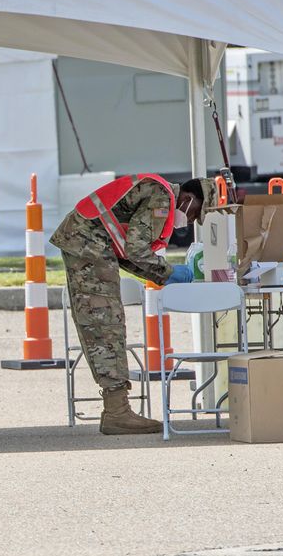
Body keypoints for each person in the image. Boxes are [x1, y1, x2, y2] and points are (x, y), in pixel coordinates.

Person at [50, 174, 217, 435]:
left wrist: (162, 275)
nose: (193, 220)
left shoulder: (160, 193)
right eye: (196, 213)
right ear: (187, 199)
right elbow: (136, 251)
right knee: (105, 322)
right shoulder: (162, 198)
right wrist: (169, 271)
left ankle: (117, 409)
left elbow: (127, 252)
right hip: (88, 243)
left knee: (105, 320)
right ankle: (117, 412)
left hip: (88, 241)